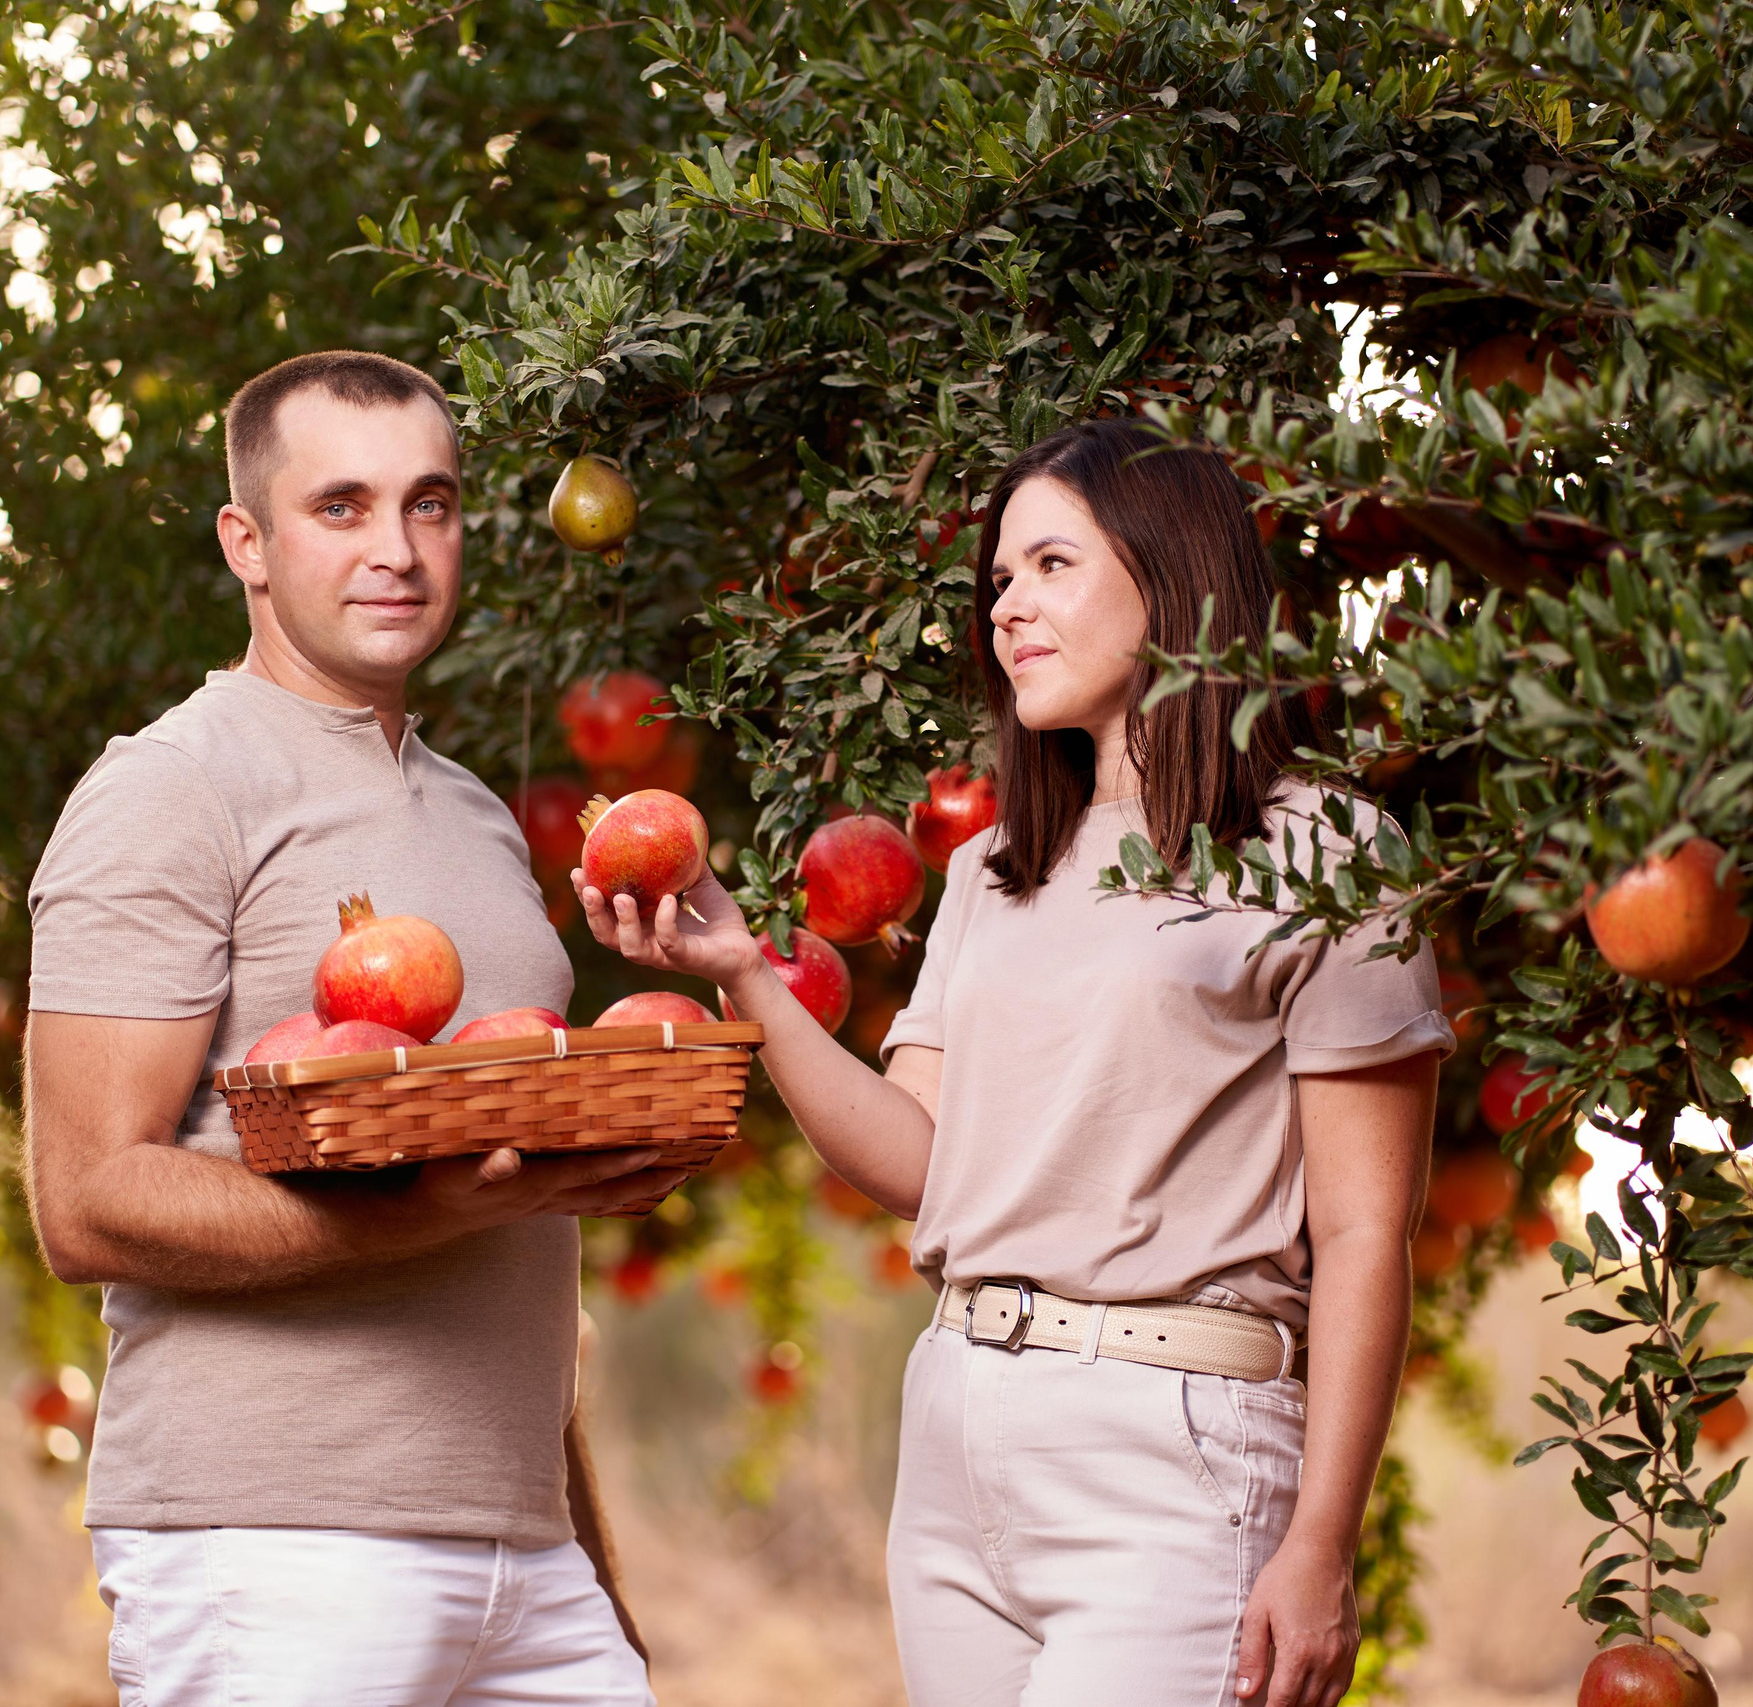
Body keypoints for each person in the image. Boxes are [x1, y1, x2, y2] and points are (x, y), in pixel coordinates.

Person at [579, 417, 1451, 1707]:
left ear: (1173, 577)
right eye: (998, 581)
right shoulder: (996, 870)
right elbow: (923, 1167)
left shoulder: (1329, 857)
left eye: (1050, 566)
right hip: (958, 1422)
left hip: (1176, 1442)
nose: (1008, 608)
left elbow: (1370, 1235)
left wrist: (1322, 1541)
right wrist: (746, 975)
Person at [24, 350, 678, 1707]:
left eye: (429, 505)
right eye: (343, 508)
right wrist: (436, 1211)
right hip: (272, 1551)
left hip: (520, 1555)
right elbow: (85, 1203)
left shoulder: (481, 819)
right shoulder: (171, 789)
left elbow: (506, 1224)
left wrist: (578, 1557)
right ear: (246, 544)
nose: (397, 549)